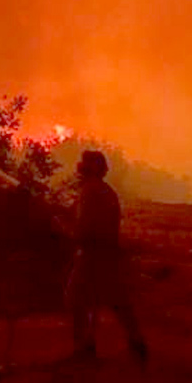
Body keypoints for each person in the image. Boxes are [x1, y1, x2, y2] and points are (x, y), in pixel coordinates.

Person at [65, 150, 149, 367]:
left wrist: (66, 231)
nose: (79, 166)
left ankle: (84, 348)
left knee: (76, 299)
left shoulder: (90, 191)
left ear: (91, 167)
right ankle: (136, 343)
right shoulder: (105, 191)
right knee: (114, 301)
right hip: (107, 254)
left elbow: (85, 228)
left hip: (93, 254)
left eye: (84, 163)